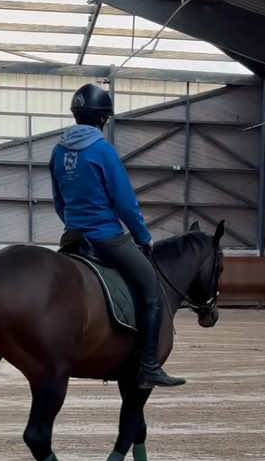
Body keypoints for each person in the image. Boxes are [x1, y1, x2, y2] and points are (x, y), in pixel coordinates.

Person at [49, 83, 185, 389]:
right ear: (103, 118)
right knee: (152, 293)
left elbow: (59, 201)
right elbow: (125, 202)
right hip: (106, 237)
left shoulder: (58, 151)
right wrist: (143, 236)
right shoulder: (103, 151)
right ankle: (149, 366)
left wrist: (75, 224)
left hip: (72, 238)